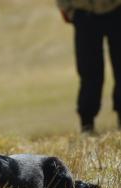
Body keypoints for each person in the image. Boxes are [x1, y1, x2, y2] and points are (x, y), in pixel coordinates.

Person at [57, 0, 121, 132]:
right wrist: (66, 8)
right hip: (83, 13)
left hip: (116, 9)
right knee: (89, 71)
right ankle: (87, 124)